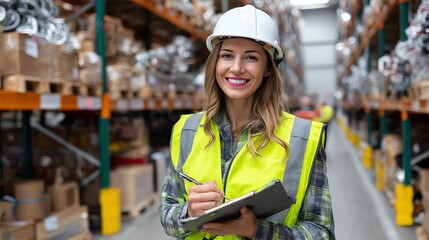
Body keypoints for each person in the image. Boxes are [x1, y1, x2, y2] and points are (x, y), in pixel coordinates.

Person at [160, 5, 335, 240]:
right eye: (227, 55)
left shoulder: (302, 137)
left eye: (251, 57)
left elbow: (322, 233)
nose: (236, 68)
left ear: (267, 70)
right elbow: (167, 216)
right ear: (215, 64)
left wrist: (257, 231)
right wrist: (188, 211)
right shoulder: (187, 131)